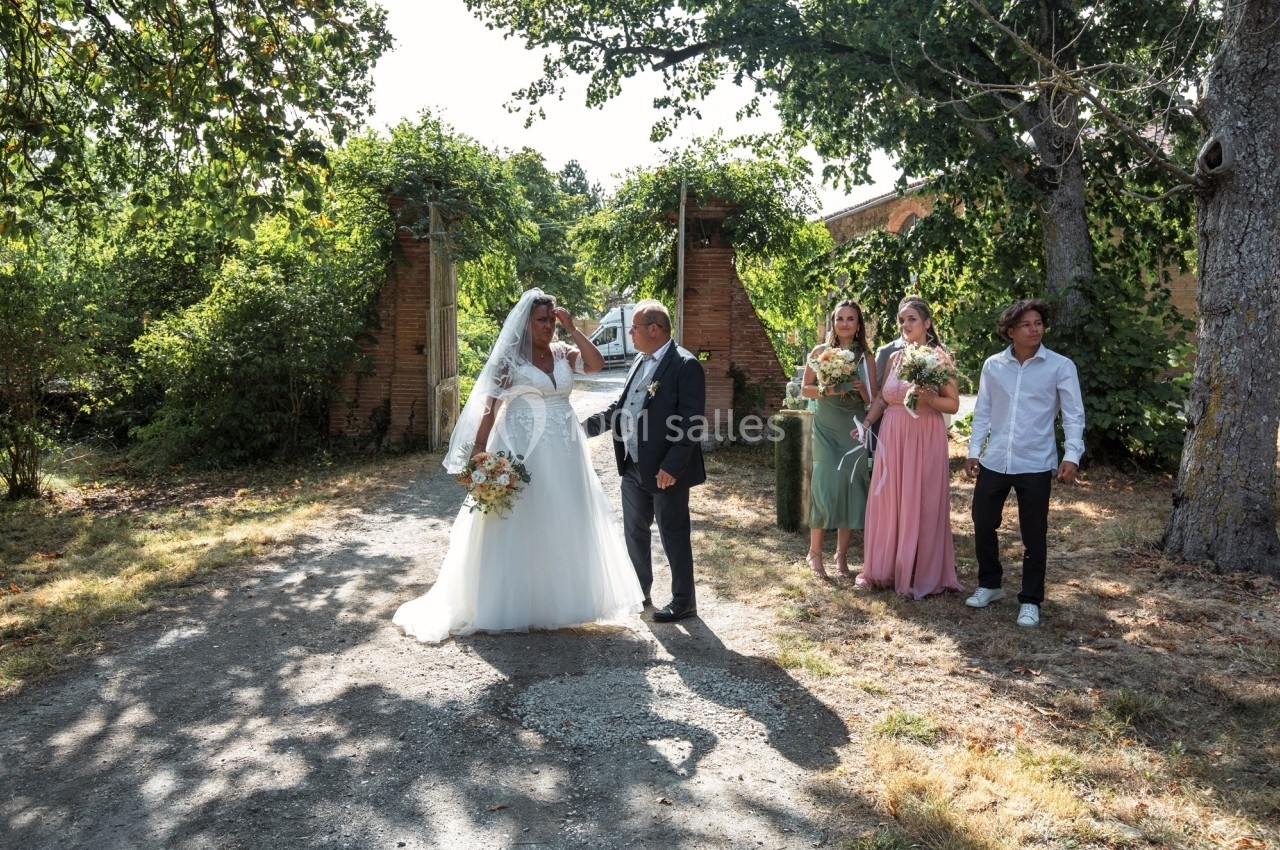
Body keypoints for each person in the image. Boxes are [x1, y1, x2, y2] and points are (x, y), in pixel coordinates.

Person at [394, 289, 644, 642]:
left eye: (550, 320)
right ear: (524, 324)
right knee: (522, 517)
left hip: (566, 449)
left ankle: (564, 602)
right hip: (522, 447)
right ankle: (513, 603)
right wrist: (480, 453)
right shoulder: (508, 362)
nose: (548, 327)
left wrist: (572, 328)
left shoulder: (561, 352)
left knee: (565, 514)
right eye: (541, 320)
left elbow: (596, 364)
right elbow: (489, 408)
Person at [963, 298, 1085, 628]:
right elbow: (983, 411)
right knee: (982, 521)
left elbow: (1074, 415)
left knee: (1034, 533)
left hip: (1035, 460)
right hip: (996, 459)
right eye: (1027, 325)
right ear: (1010, 331)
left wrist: (1072, 455)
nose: (1035, 329)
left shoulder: (1060, 366)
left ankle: (1031, 599)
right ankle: (990, 584)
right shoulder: (993, 366)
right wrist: (974, 450)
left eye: (1039, 324)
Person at [583, 300, 707, 623]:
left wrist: (672, 466)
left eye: (634, 328)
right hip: (633, 464)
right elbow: (621, 407)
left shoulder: (685, 365)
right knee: (635, 530)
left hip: (667, 470)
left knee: (673, 531)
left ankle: (684, 600)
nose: (630, 333)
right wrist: (585, 428)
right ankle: (641, 591)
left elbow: (691, 422)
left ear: (654, 329)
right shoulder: (639, 362)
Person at [854, 296, 965, 599]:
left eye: (912, 319)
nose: (905, 325)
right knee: (889, 499)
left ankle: (919, 571)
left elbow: (952, 404)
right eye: (902, 320)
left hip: (923, 434)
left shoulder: (940, 358)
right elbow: (882, 398)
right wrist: (865, 425)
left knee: (922, 499)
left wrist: (929, 399)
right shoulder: (894, 357)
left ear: (927, 323)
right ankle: (882, 569)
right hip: (892, 434)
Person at [799, 300, 876, 578]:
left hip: (854, 428)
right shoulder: (820, 352)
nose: (844, 323)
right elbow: (805, 390)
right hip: (826, 427)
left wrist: (861, 389)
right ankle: (814, 553)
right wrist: (827, 389)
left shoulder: (866, 357)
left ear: (858, 325)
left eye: (850, 319)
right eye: (840, 318)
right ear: (833, 322)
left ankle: (841, 556)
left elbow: (874, 400)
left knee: (851, 487)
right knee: (824, 484)